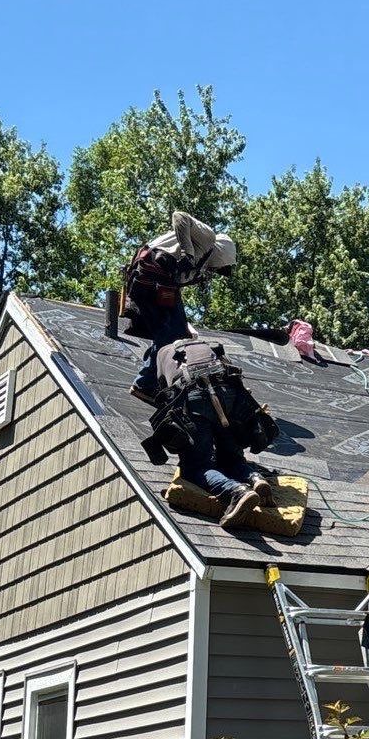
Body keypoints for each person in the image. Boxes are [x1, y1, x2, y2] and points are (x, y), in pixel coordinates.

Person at [140, 337, 281, 528]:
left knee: (196, 466)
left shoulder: (163, 353)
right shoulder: (206, 347)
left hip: (194, 397)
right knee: (231, 458)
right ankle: (255, 479)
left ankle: (236, 492)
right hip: (230, 395)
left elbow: (166, 399)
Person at [126, 210, 238, 400]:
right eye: (221, 267)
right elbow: (180, 217)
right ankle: (145, 384)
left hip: (161, 285)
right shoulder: (208, 239)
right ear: (223, 255)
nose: (217, 270)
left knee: (179, 335)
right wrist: (188, 252)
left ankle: (153, 382)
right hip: (150, 278)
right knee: (169, 335)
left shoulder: (202, 264)